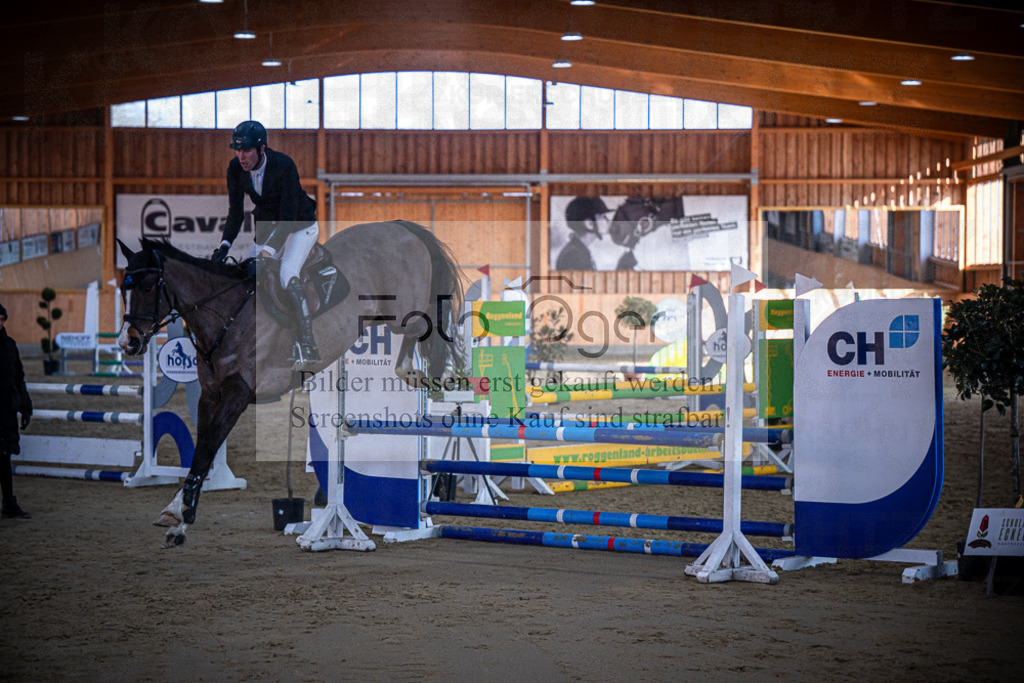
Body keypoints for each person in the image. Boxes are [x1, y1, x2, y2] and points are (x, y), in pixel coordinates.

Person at [214, 120, 321, 369]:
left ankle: (308, 345)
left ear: (261, 149)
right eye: (238, 150)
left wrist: (265, 253)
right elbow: (235, 213)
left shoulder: (284, 165)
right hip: (270, 227)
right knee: (244, 275)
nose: (241, 156)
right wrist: (224, 246)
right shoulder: (235, 168)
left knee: (287, 273)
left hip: (299, 226)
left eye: (247, 150)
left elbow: (288, 218)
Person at [0, 302, 33, 519]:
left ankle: (9, 502)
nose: (0, 323)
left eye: (2, 319)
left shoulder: (10, 345)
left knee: (4, 457)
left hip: (6, 411)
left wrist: (25, 406)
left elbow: (19, 377)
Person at [555, 196, 612, 270]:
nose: (607, 220)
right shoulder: (574, 256)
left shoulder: (578, 251)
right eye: (603, 216)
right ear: (589, 224)